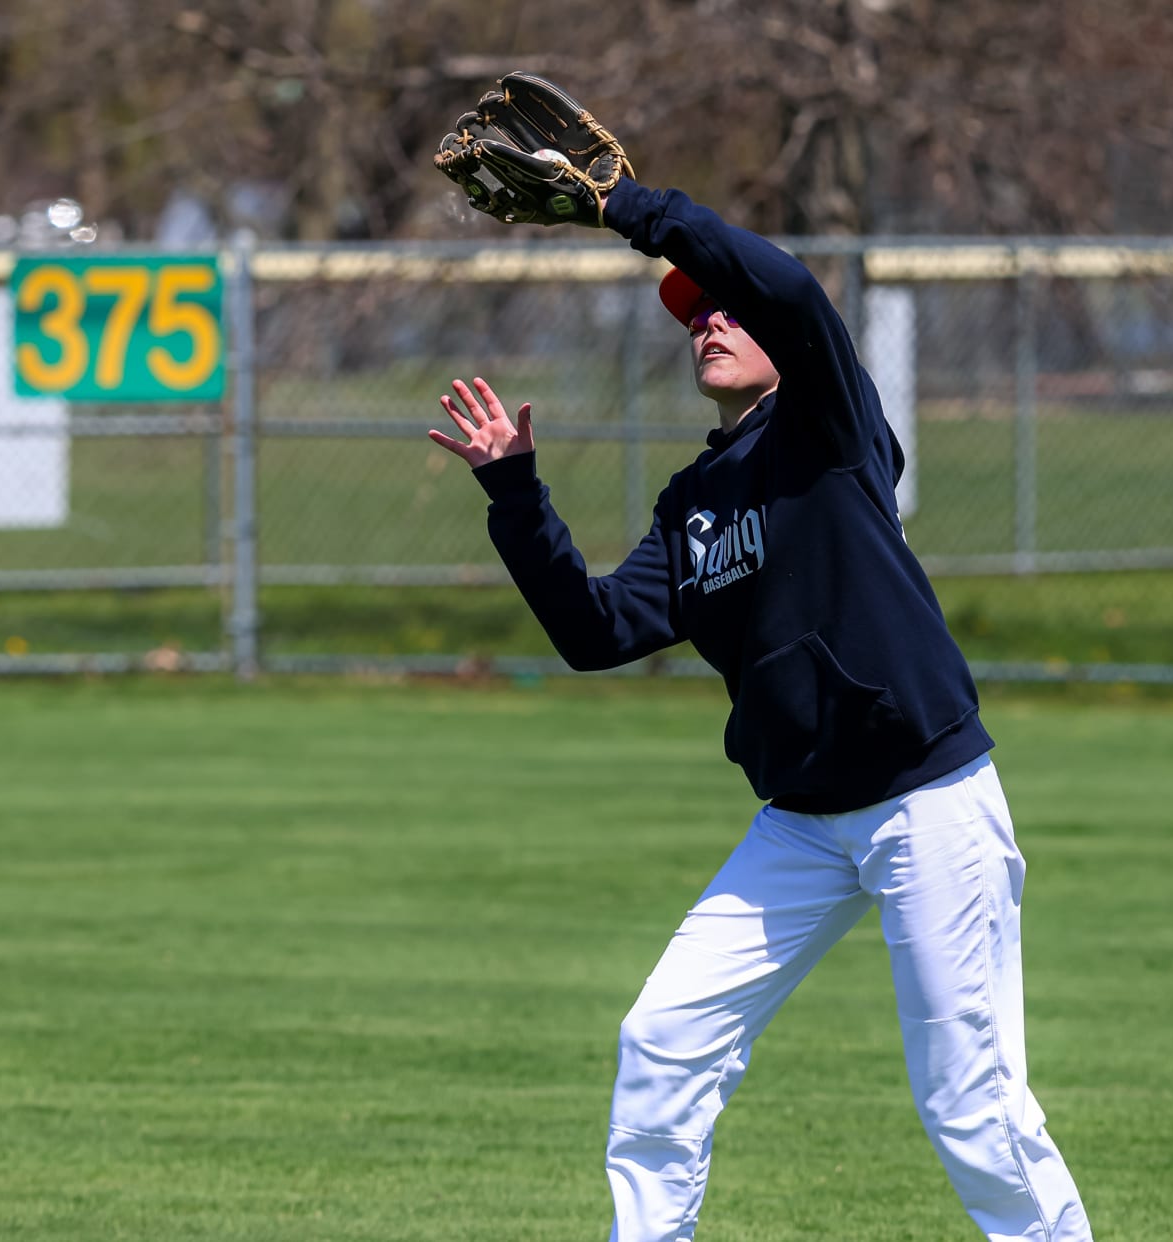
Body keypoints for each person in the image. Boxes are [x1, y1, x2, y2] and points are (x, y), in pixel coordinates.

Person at [427, 174, 1094, 1242]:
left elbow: (781, 284)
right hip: (798, 822)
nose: (711, 323)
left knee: (970, 1103)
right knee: (661, 1041)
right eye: (694, 318)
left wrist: (626, 208)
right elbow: (596, 634)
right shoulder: (694, 505)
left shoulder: (829, 425)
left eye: (724, 311)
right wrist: (517, 496)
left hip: (926, 799)